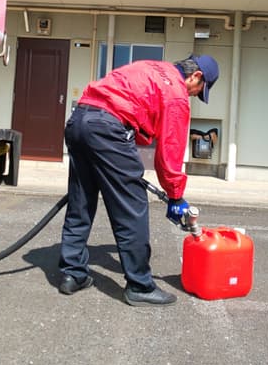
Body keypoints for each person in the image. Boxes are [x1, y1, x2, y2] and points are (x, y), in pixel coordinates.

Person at [58, 54, 219, 306]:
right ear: (195, 76)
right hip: (107, 128)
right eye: (198, 91)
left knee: (81, 201)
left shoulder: (150, 67)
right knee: (131, 207)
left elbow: (138, 120)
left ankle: (72, 273)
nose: (193, 95)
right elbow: (170, 151)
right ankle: (140, 286)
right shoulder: (176, 92)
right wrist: (175, 195)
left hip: (79, 120)